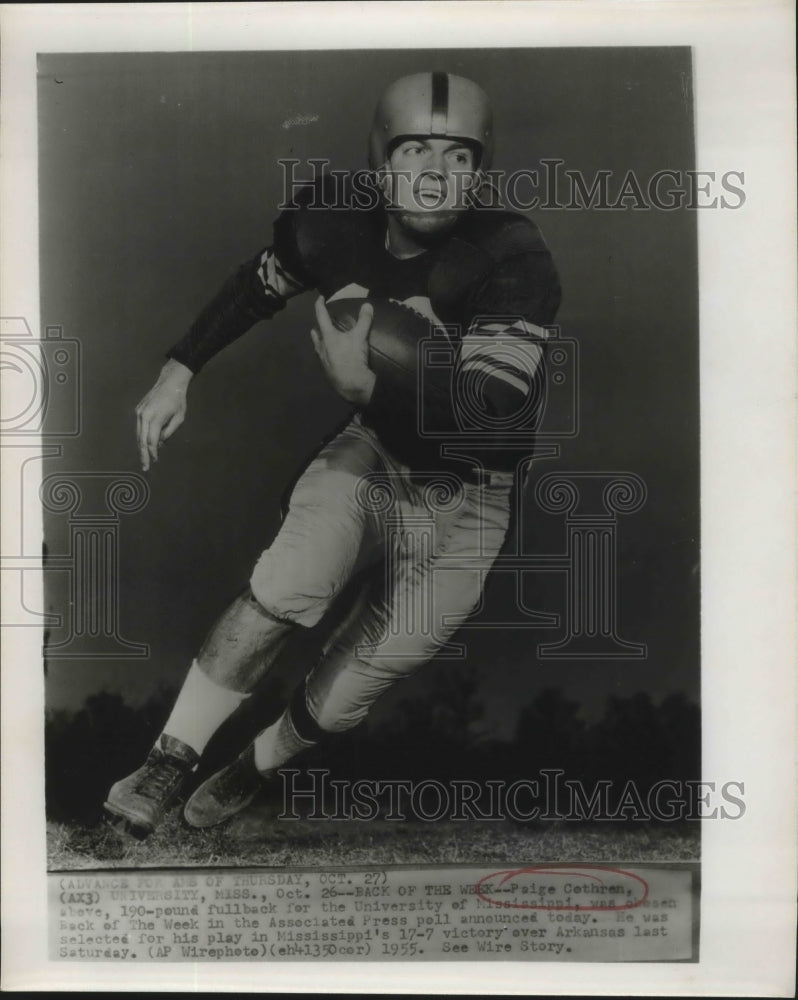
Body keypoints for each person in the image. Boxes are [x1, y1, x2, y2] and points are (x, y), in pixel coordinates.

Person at [104, 71, 561, 836]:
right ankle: (167, 759)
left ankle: (252, 768)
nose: (433, 173)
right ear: (381, 159)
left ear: (480, 173)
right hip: (375, 452)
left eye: (458, 157)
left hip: (475, 487)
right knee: (290, 578)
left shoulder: (511, 256)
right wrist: (179, 368)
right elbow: (259, 283)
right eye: (415, 149)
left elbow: (489, 413)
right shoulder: (334, 218)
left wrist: (366, 388)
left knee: (367, 675)